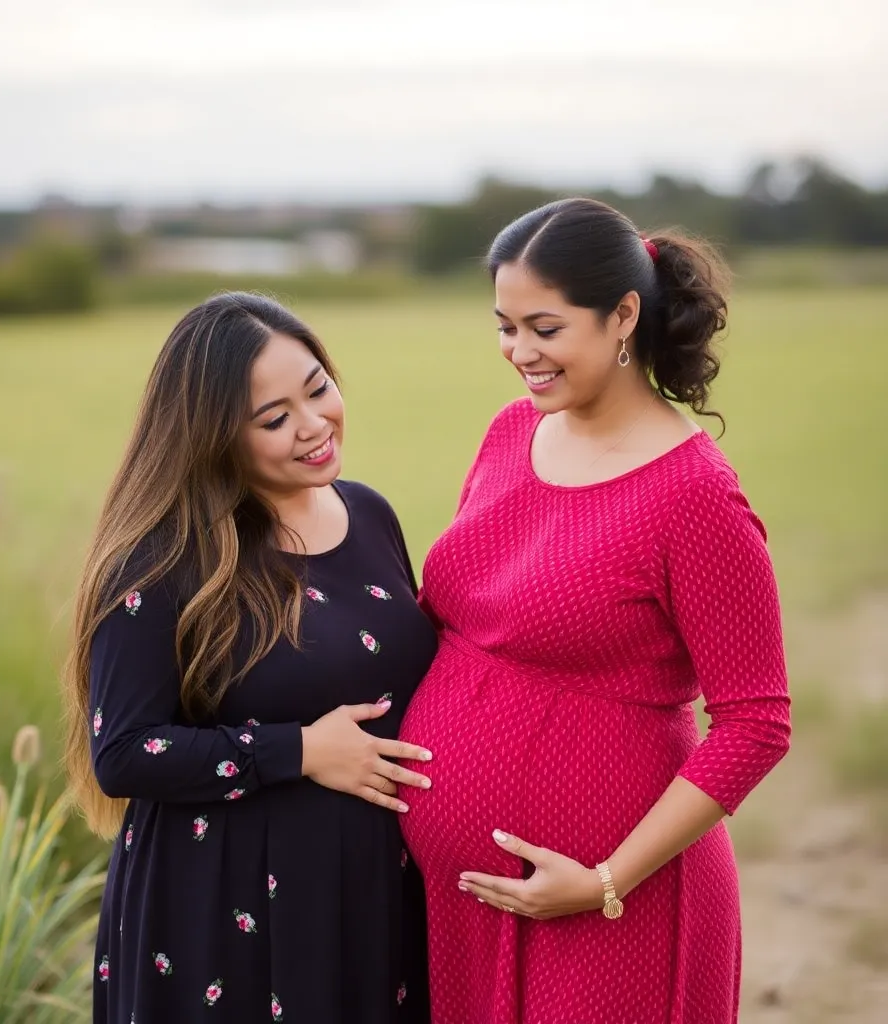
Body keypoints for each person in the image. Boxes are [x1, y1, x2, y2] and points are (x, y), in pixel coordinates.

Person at [398, 198, 792, 1023]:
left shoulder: (695, 496)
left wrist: (606, 880)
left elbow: (756, 723)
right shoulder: (510, 432)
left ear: (623, 317)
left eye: (545, 328)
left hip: (614, 907)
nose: (520, 353)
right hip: (459, 900)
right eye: (505, 327)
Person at [62, 292, 437, 1023]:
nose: (313, 425)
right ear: (214, 438)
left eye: (318, 389)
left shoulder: (369, 514)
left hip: (376, 895)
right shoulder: (165, 558)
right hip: (228, 916)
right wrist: (297, 751)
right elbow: (125, 753)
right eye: (274, 419)